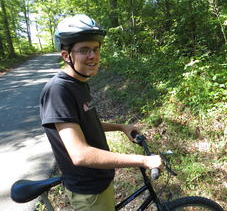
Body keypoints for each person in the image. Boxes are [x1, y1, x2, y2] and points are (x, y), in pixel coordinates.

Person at [40, 14, 162, 211]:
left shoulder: (79, 83)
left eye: (96, 49)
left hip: (100, 181)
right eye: (84, 50)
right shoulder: (58, 90)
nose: (93, 56)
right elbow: (80, 154)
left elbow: (85, 123)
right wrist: (143, 160)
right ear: (66, 55)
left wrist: (120, 127)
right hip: (89, 192)